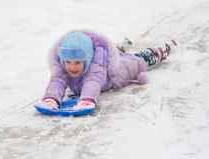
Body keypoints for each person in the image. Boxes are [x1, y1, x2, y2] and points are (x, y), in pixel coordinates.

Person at [42, 30, 176, 110]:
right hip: (103, 58)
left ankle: (155, 53)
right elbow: (57, 80)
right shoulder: (63, 62)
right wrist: (51, 98)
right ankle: (117, 49)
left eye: (77, 62)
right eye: (68, 62)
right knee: (114, 54)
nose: (72, 67)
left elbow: (92, 82)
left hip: (115, 74)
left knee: (134, 61)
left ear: (87, 59)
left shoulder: (96, 66)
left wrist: (88, 99)